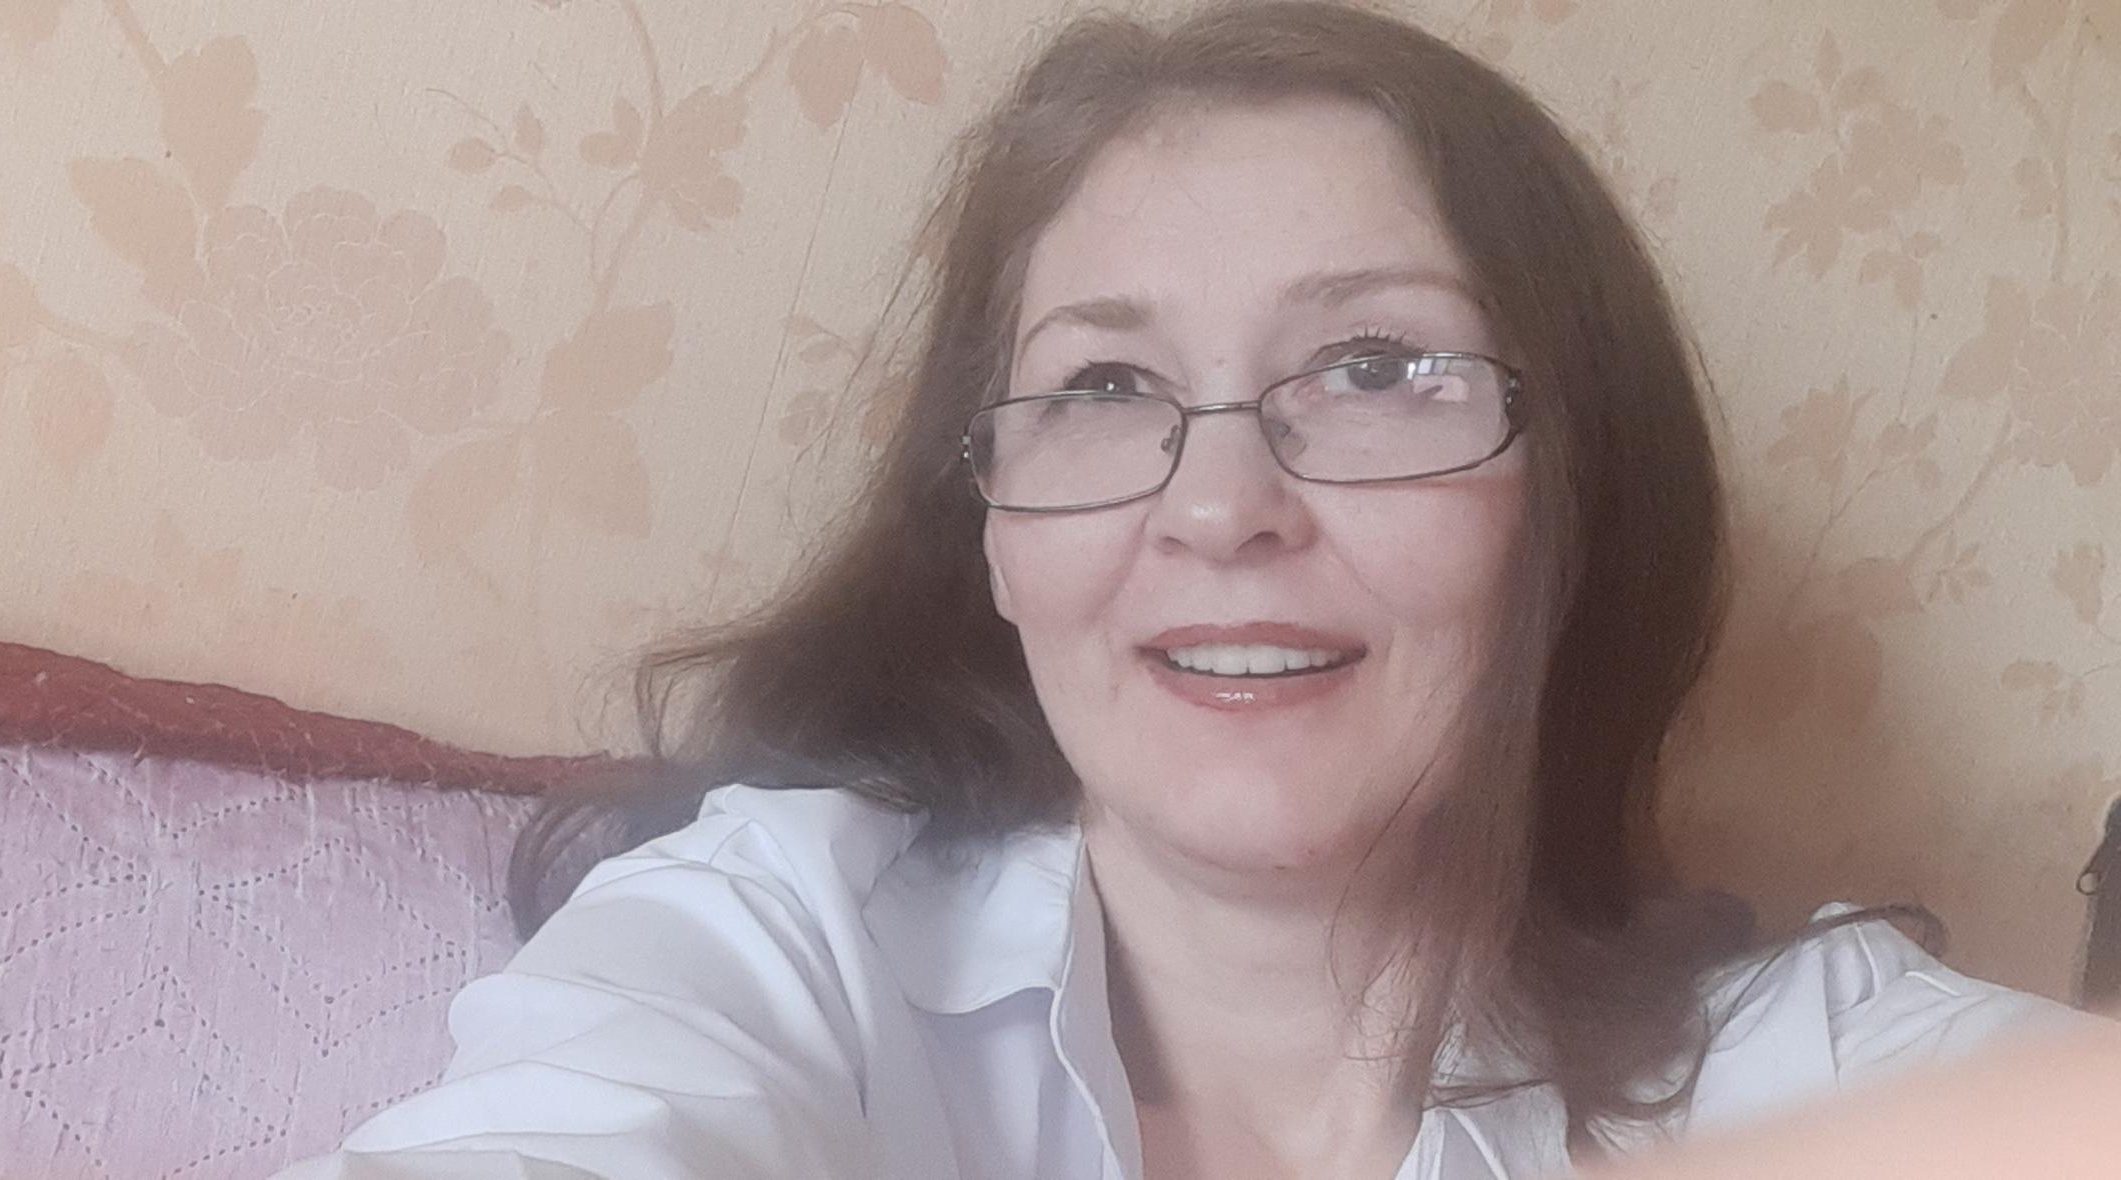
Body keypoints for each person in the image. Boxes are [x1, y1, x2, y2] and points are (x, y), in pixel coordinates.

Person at [276, 3, 2097, 1177]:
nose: (1220, 508)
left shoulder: (1806, 1057)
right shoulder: (780, 932)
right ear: (993, 536)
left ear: (1570, 500)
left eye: (1377, 368)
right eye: (1104, 385)